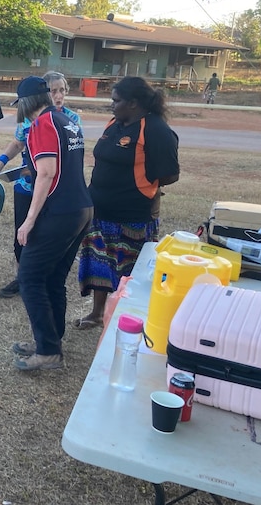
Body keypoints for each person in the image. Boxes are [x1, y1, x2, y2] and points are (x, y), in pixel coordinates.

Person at [74, 76, 179, 330]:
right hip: (99, 210)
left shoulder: (155, 129)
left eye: (116, 100)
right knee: (99, 263)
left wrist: (140, 183)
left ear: (133, 103)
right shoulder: (114, 124)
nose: (111, 104)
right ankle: (98, 313)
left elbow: (169, 174)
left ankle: (124, 318)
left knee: (129, 272)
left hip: (132, 216)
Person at [10, 76, 92, 371]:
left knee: (30, 278)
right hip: (81, 207)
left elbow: (46, 173)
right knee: (53, 278)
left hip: (60, 211)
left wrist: (29, 221)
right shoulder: (65, 121)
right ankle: (51, 341)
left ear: (26, 103)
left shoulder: (42, 124)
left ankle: (48, 350)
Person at [0, 71, 81, 299]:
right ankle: (22, 279)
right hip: (26, 186)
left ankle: (39, 280)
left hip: (50, 188)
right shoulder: (30, 119)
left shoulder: (70, 120)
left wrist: (38, 170)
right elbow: (18, 143)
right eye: (53, 90)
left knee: (42, 235)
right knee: (21, 236)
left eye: (61, 90)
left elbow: (64, 161)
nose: (58, 95)